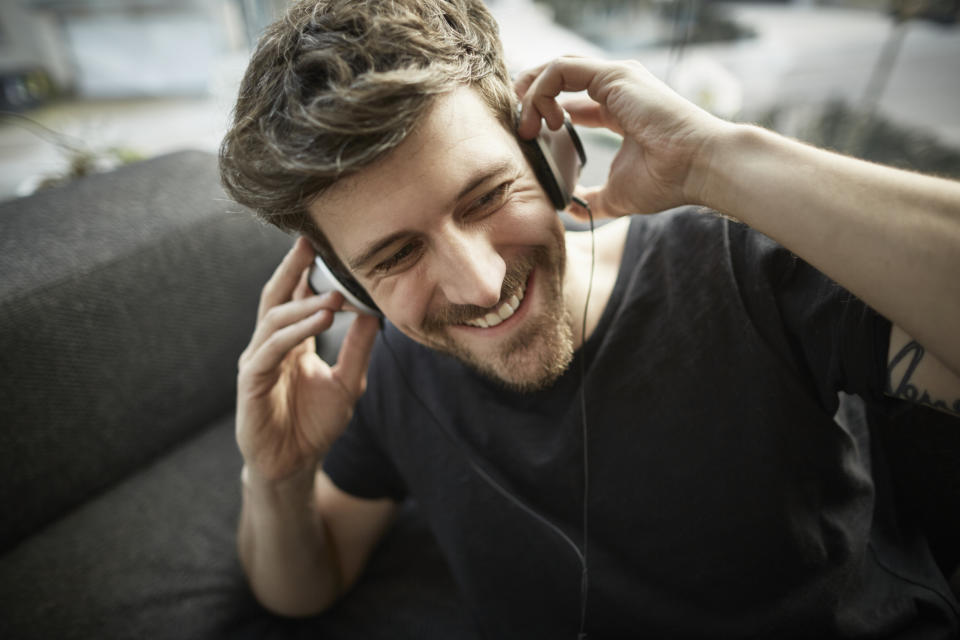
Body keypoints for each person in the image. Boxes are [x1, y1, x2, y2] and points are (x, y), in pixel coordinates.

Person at [218, 0, 960, 637]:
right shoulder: (385, 371)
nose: (477, 285)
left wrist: (717, 161)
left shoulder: (742, 266)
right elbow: (306, 586)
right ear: (345, 281)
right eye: (396, 255)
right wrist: (278, 476)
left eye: (484, 197)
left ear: (546, 152)